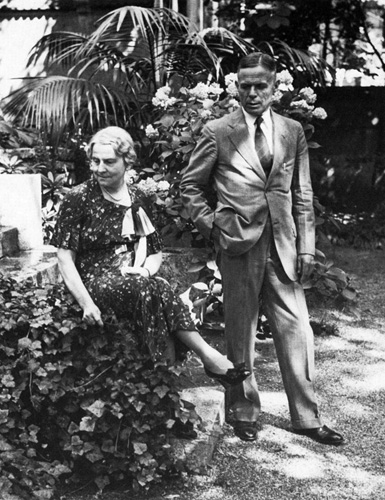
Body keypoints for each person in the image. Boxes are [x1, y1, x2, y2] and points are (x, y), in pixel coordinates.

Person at [180, 53, 344, 445]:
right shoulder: (218, 130)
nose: (252, 93)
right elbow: (190, 187)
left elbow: (302, 193)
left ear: (274, 89)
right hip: (238, 243)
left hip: (284, 243)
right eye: (245, 85)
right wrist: (216, 227)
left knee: (298, 329)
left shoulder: (292, 131)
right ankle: (243, 410)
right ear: (236, 86)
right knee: (241, 328)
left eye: (260, 86)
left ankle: (306, 417)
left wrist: (307, 248)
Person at [51, 126, 249, 437]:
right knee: (154, 289)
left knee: (151, 287)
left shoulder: (139, 197)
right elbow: (64, 259)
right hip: (95, 279)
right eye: (95, 162)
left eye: (108, 162)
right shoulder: (78, 198)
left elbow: (154, 253)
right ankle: (205, 360)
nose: (99, 169)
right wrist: (86, 303)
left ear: (126, 162)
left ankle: (167, 407)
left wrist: (144, 270)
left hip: (134, 279)